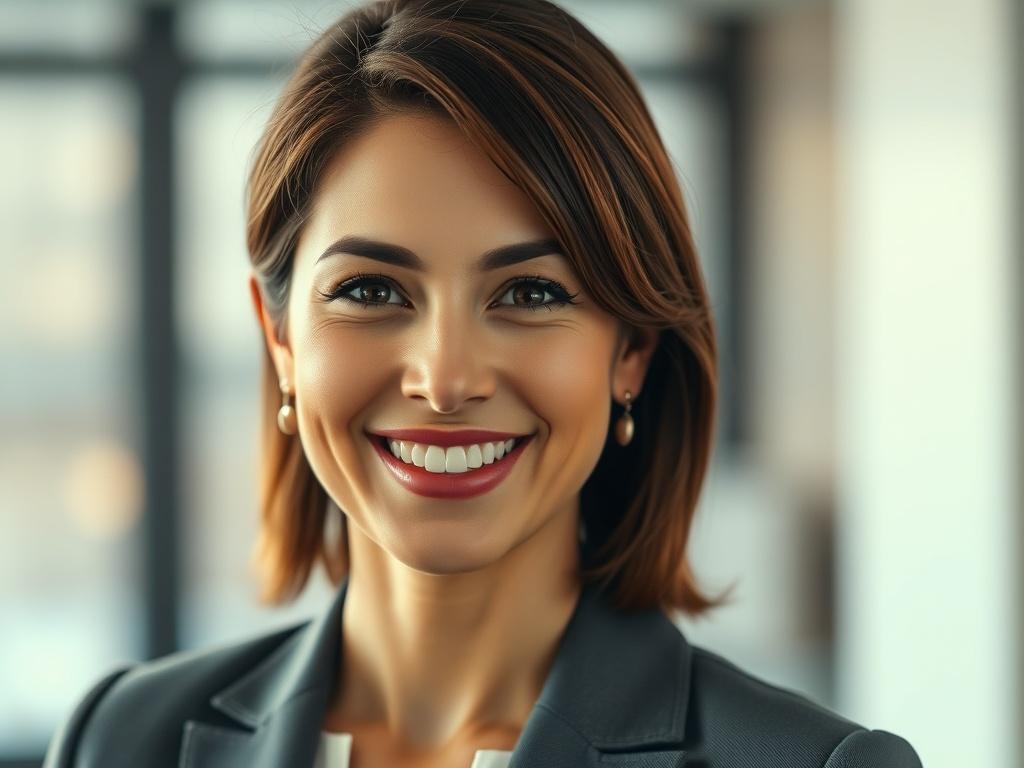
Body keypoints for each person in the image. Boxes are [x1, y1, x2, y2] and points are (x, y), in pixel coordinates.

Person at [44, 1, 923, 766]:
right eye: (372, 291)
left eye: (531, 293)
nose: (445, 378)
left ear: (632, 352)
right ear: (278, 336)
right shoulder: (120, 740)